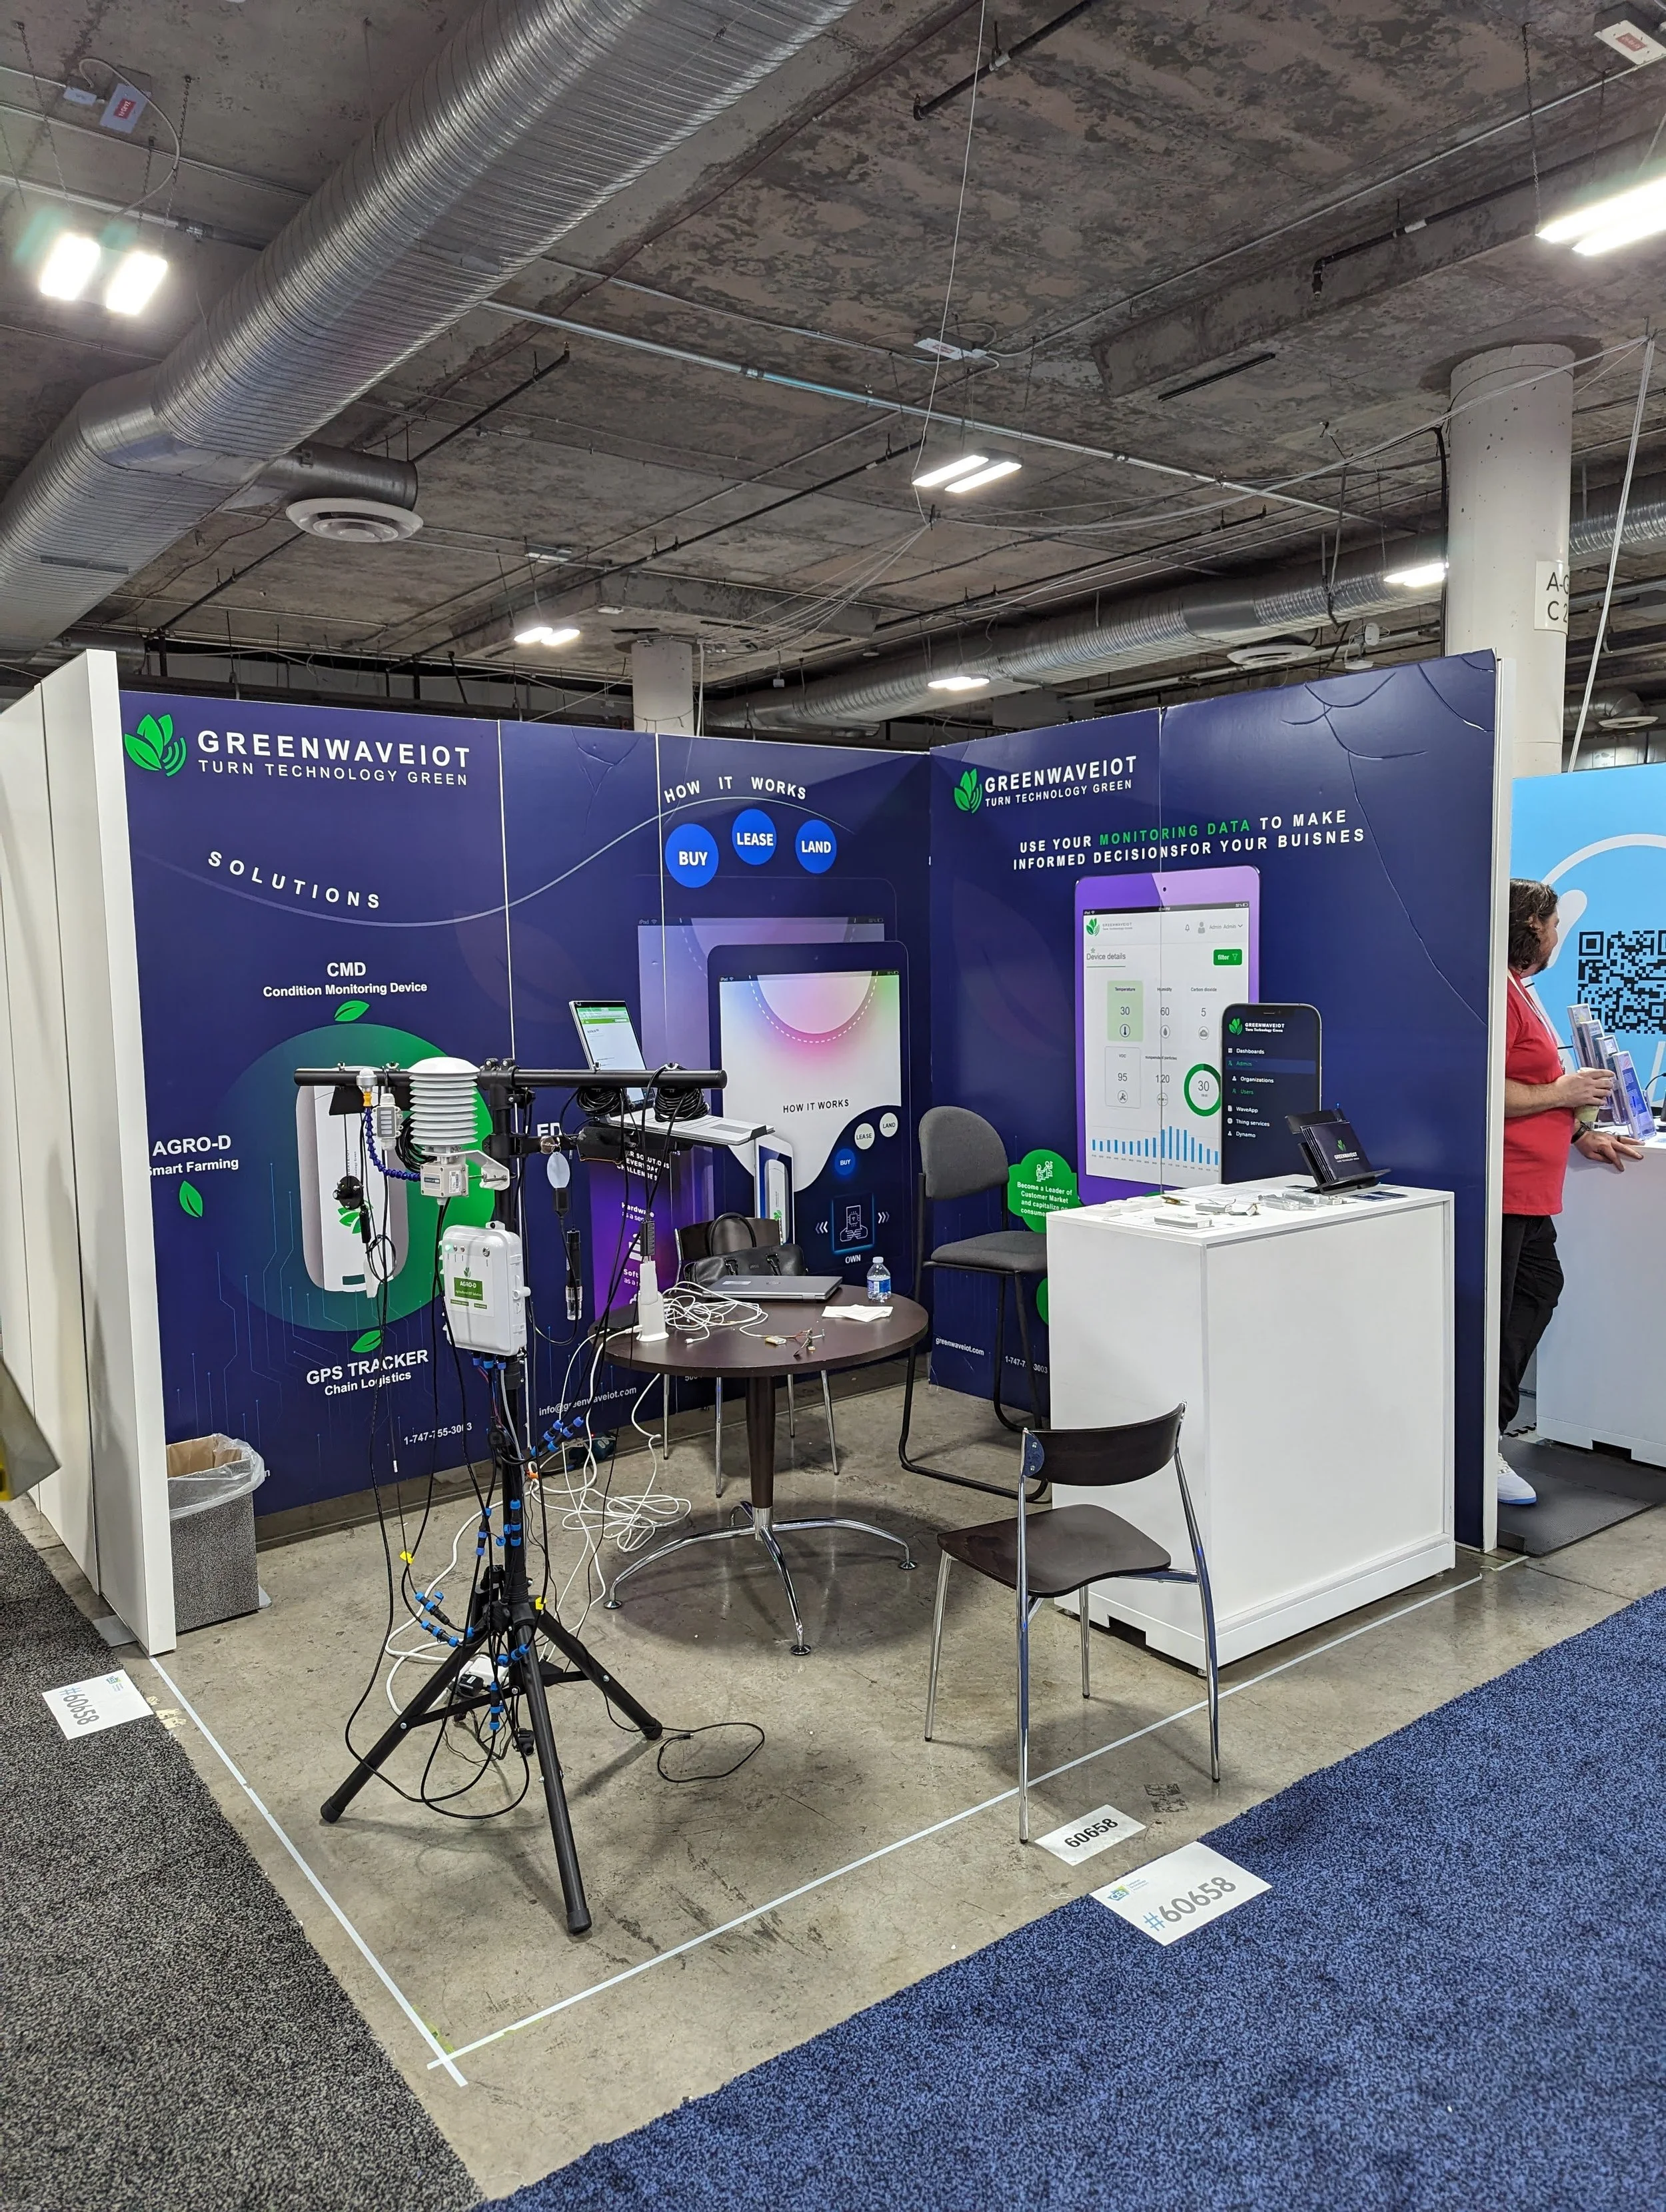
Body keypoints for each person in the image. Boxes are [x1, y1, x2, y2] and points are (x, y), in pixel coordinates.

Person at [1499, 878, 1643, 1506]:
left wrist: (1579, 1131)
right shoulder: (1496, 993)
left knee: (1538, 1291)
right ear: (1532, 924)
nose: (1558, 934)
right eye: (1554, 923)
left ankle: (1484, 1431)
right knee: (1499, 1320)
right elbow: (1486, 1087)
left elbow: (1532, 1084)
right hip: (1505, 1189)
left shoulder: (1518, 989)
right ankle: (1479, 1444)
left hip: (1532, 1189)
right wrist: (1563, 1095)